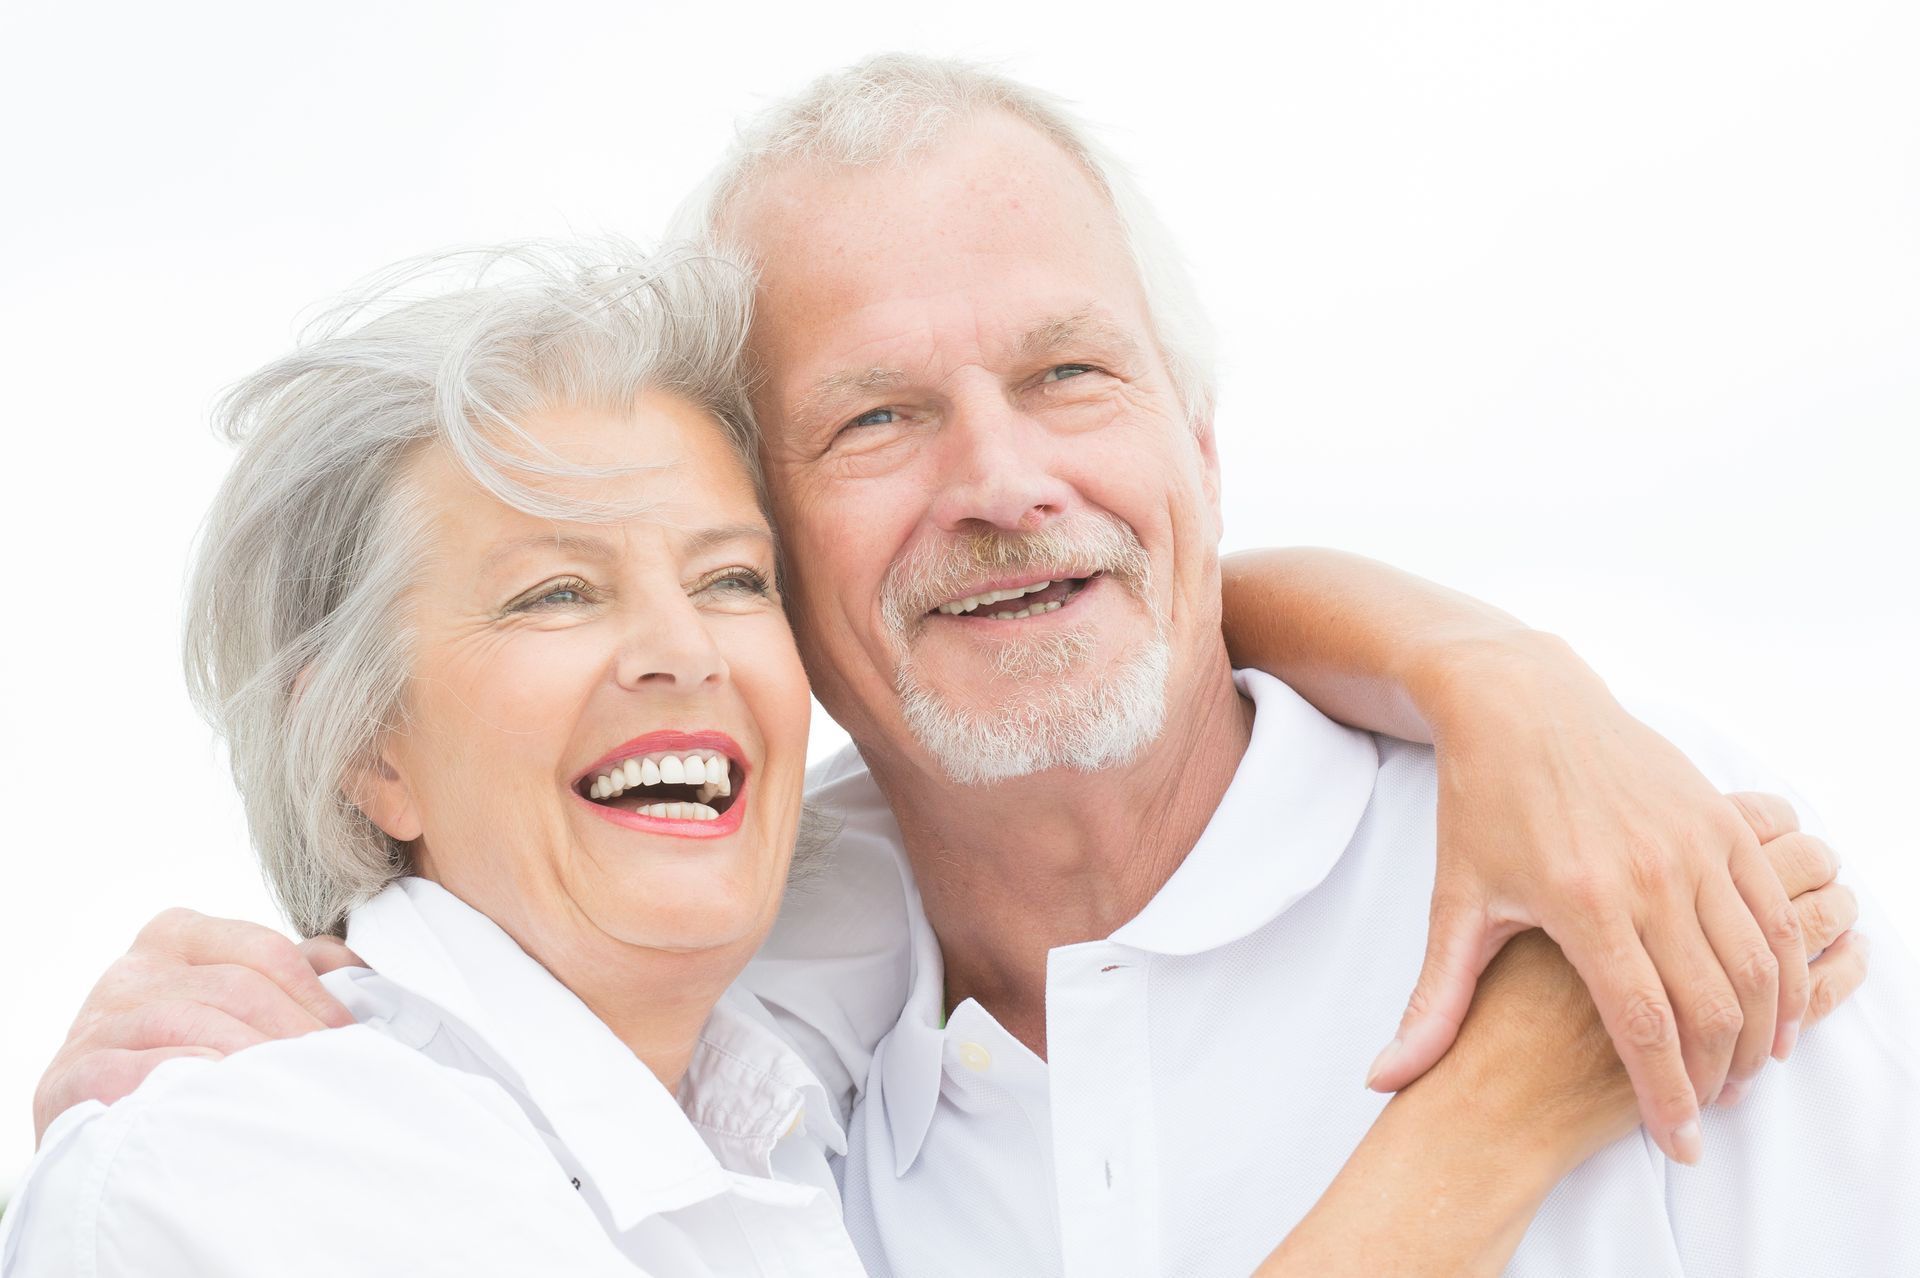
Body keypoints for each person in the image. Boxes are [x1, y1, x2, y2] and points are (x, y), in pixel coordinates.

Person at [15, 55, 1907, 1275]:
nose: (1004, 483)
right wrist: (1486, 1128)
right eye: (877, 419)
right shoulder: (658, 1045)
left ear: (1203, 448)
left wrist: (1501, 672)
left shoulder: (1640, 888)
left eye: (1072, 373)